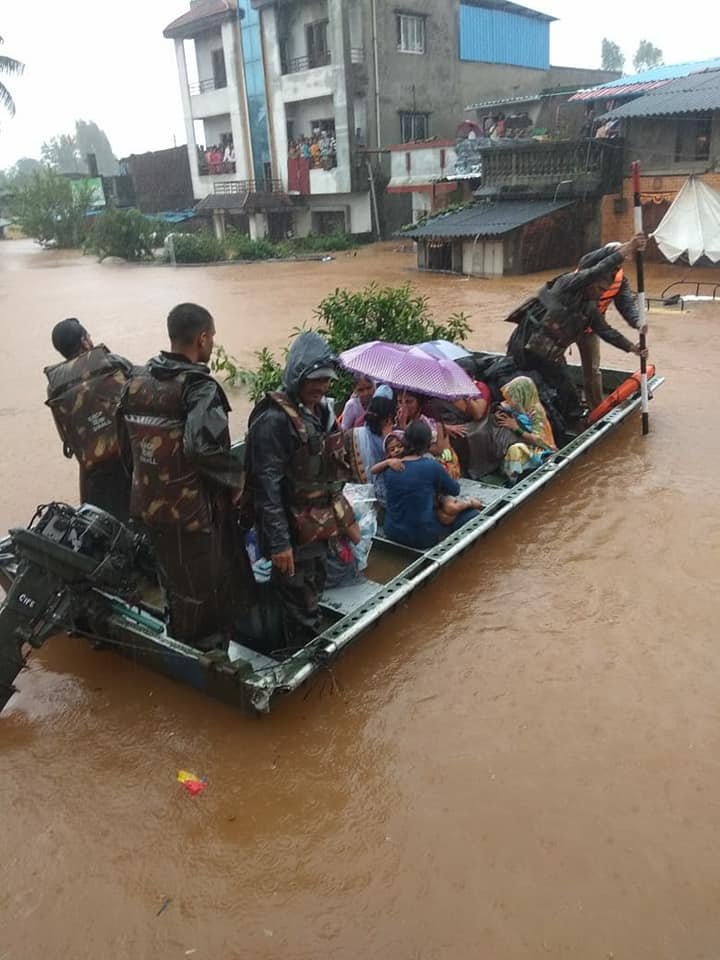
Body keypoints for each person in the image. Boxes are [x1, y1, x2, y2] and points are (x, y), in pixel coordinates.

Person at [118, 303, 253, 648]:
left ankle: (178, 640)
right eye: (212, 337)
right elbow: (202, 449)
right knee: (209, 591)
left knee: (173, 581)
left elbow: (126, 450)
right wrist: (236, 481)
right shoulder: (199, 387)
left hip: (150, 507)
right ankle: (210, 657)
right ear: (203, 338)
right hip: (196, 515)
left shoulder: (135, 380)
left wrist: (149, 487)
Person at [243, 331, 359, 648]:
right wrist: (280, 545)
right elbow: (266, 489)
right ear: (297, 375)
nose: (321, 387)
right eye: (315, 380)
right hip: (290, 533)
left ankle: (301, 640)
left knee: (314, 587)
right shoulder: (273, 421)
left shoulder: (320, 413)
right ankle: (303, 655)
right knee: (299, 601)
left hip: (318, 525)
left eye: (326, 381)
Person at [506, 235, 648, 422]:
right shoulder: (570, 282)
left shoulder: (591, 305)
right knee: (522, 378)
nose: (601, 294)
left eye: (603, 291)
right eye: (598, 289)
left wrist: (633, 347)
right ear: (590, 281)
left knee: (569, 385)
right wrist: (628, 247)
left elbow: (606, 330)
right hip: (529, 340)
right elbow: (597, 268)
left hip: (555, 345)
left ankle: (580, 416)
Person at [44, 317, 133, 521]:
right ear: (85, 341)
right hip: (130, 463)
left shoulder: (55, 386)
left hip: (93, 475)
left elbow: (66, 437)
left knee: (102, 534)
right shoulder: (113, 362)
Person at [383, 420, 480, 549]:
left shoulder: (391, 468)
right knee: (472, 514)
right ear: (428, 442)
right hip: (422, 538)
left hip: (392, 533)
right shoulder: (431, 466)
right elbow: (455, 490)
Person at [575, 242, 648, 410]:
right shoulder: (589, 267)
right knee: (555, 364)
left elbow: (627, 306)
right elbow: (586, 259)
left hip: (591, 326)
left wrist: (638, 322)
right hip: (566, 325)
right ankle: (565, 401)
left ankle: (596, 409)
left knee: (593, 370)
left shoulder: (620, 280)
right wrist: (621, 249)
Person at [495, 376, 556, 481]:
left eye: (514, 397)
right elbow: (505, 405)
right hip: (525, 442)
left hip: (540, 449)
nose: (512, 401)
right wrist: (498, 413)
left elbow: (539, 440)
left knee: (515, 449)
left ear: (522, 395)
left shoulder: (536, 412)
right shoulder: (522, 407)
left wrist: (516, 428)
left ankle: (514, 480)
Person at [344, 391, 396, 505]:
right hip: (384, 503)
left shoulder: (352, 435)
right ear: (388, 419)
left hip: (356, 500)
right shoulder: (394, 441)